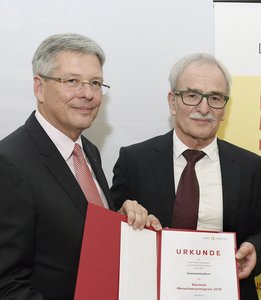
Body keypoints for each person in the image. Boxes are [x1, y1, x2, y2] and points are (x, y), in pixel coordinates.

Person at [0, 33, 159, 300]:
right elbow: (7, 284)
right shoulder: (9, 162)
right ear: (39, 87)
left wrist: (123, 222)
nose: (87, 94)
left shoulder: (88, 151)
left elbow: (75, 228)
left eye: (95, 83)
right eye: (72, 81)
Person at [111, 53, 261, 300]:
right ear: (172, 101)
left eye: (215, 98)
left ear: (225, 108)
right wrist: (123, 214)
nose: (204, 108)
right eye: (192, 95)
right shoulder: (134, 160)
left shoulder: (250, 167)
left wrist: (255, 249)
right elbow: (111, 225)